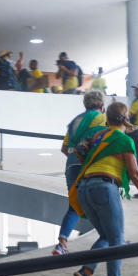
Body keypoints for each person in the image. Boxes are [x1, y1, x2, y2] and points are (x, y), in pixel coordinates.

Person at [69, 102, 138, 276]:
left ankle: (87, 271)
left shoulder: (98, 136)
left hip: (84, 188)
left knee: (107, 235)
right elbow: (136, 174)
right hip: (104, 187)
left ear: (108, 118)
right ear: (126, 117)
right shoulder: (123, 139)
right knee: (117, 238)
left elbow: (80, 151)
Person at [53, 91, 107, 255]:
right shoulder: (102, 119)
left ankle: (62, 244)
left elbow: (64, 148)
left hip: (71, 164)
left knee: (74, 206)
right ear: (102, 105)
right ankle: (115, 238)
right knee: (106, 202)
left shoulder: (75, 121)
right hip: (89, 165)